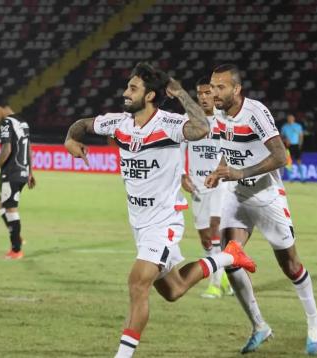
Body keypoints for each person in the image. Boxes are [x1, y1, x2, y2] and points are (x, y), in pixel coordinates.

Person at [64, 62, 257, 358]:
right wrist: (70, 139)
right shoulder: (118, 123)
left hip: (163, 221)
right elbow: (83, 124)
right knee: (174, 290)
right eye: (128, 87)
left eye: (133, 88)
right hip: (139, 224)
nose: (125, 93)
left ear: (151, 95)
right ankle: (229, 255)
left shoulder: (169, 124)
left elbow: (202, 127)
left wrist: (180, 93)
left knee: (137, 282)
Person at [205, 64, 317, 355]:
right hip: (236, 195)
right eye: (212, 86)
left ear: (237, 89)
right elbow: (228, 147)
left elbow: (281, 156)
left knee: (291, 265)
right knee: (231, 258)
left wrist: (240, 173)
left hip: (267, 196)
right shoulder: (218, 115)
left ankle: (314, 321)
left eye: (221, 87)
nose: (214, 92)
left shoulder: (255, 113)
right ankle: (259, 326)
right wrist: (219, 171)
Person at [181, 76, 233, 299]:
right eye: (199, 94)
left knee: (215, 229)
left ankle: (214, 284)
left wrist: (220, 170)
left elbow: (233, 149)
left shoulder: (226, 120)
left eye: (207, 93)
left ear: (215, 93)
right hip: (197, 185)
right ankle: (223, 274)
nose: (203, 98)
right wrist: (182, 175)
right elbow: (176, 148)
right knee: (204, 237)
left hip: (221, 184)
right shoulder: (189, 120)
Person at [0, 95, 36, 260]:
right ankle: (17, 235)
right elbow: (29, 148)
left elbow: (6, 149)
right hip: (22, 171)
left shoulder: (6, 123)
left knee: (10, 209)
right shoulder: (23, 122)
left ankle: (16, 250)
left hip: (11, 172)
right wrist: (30, 172)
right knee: (1, 203)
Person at [280, 114, 305, 181]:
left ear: (294, 119)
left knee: (299, 161)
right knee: (289, 161)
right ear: (287, 119)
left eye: (291, 118)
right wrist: (285, 140)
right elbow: (281, 137)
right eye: (289, 118)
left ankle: (302, 178)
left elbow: (301, 136)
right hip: (288, 146)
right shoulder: (284, 127)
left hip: (296, 145)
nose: (290, 119)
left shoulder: (298, 126)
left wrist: (300, 144)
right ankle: (290, 178)